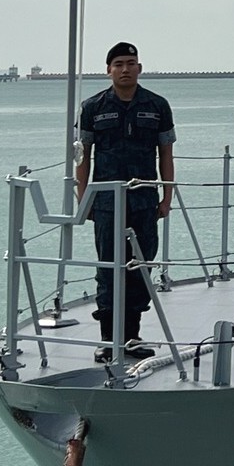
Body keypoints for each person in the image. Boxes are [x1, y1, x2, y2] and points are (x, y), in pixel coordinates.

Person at [76, 41, 175, 363]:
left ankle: (131, 339)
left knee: (140, 268)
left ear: (140, 68)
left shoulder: (157, 105)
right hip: (106, 202)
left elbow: (166, 154)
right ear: (108, 70)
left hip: (144, 201)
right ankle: (109, 342)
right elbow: (82, 157)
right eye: (118, 63)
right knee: (108, 270)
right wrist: (83, 198)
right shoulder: (92, 107)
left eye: (131, 63)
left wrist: (166, 197)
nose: (125, 69)